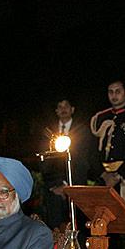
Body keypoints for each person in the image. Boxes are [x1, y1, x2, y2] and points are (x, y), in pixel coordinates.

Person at [39, 98, 93, 230]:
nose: (63, 109)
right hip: (54, 190)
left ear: (72, 109)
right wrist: (58, 186)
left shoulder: (82, 132)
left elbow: (84, 160)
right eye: (60, 106)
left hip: (76, 186)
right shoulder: (48, 134)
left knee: (78, 228)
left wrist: (69, 186)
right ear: (56, 111)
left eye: (66, 106)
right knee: (56, 229)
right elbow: (45, 163)